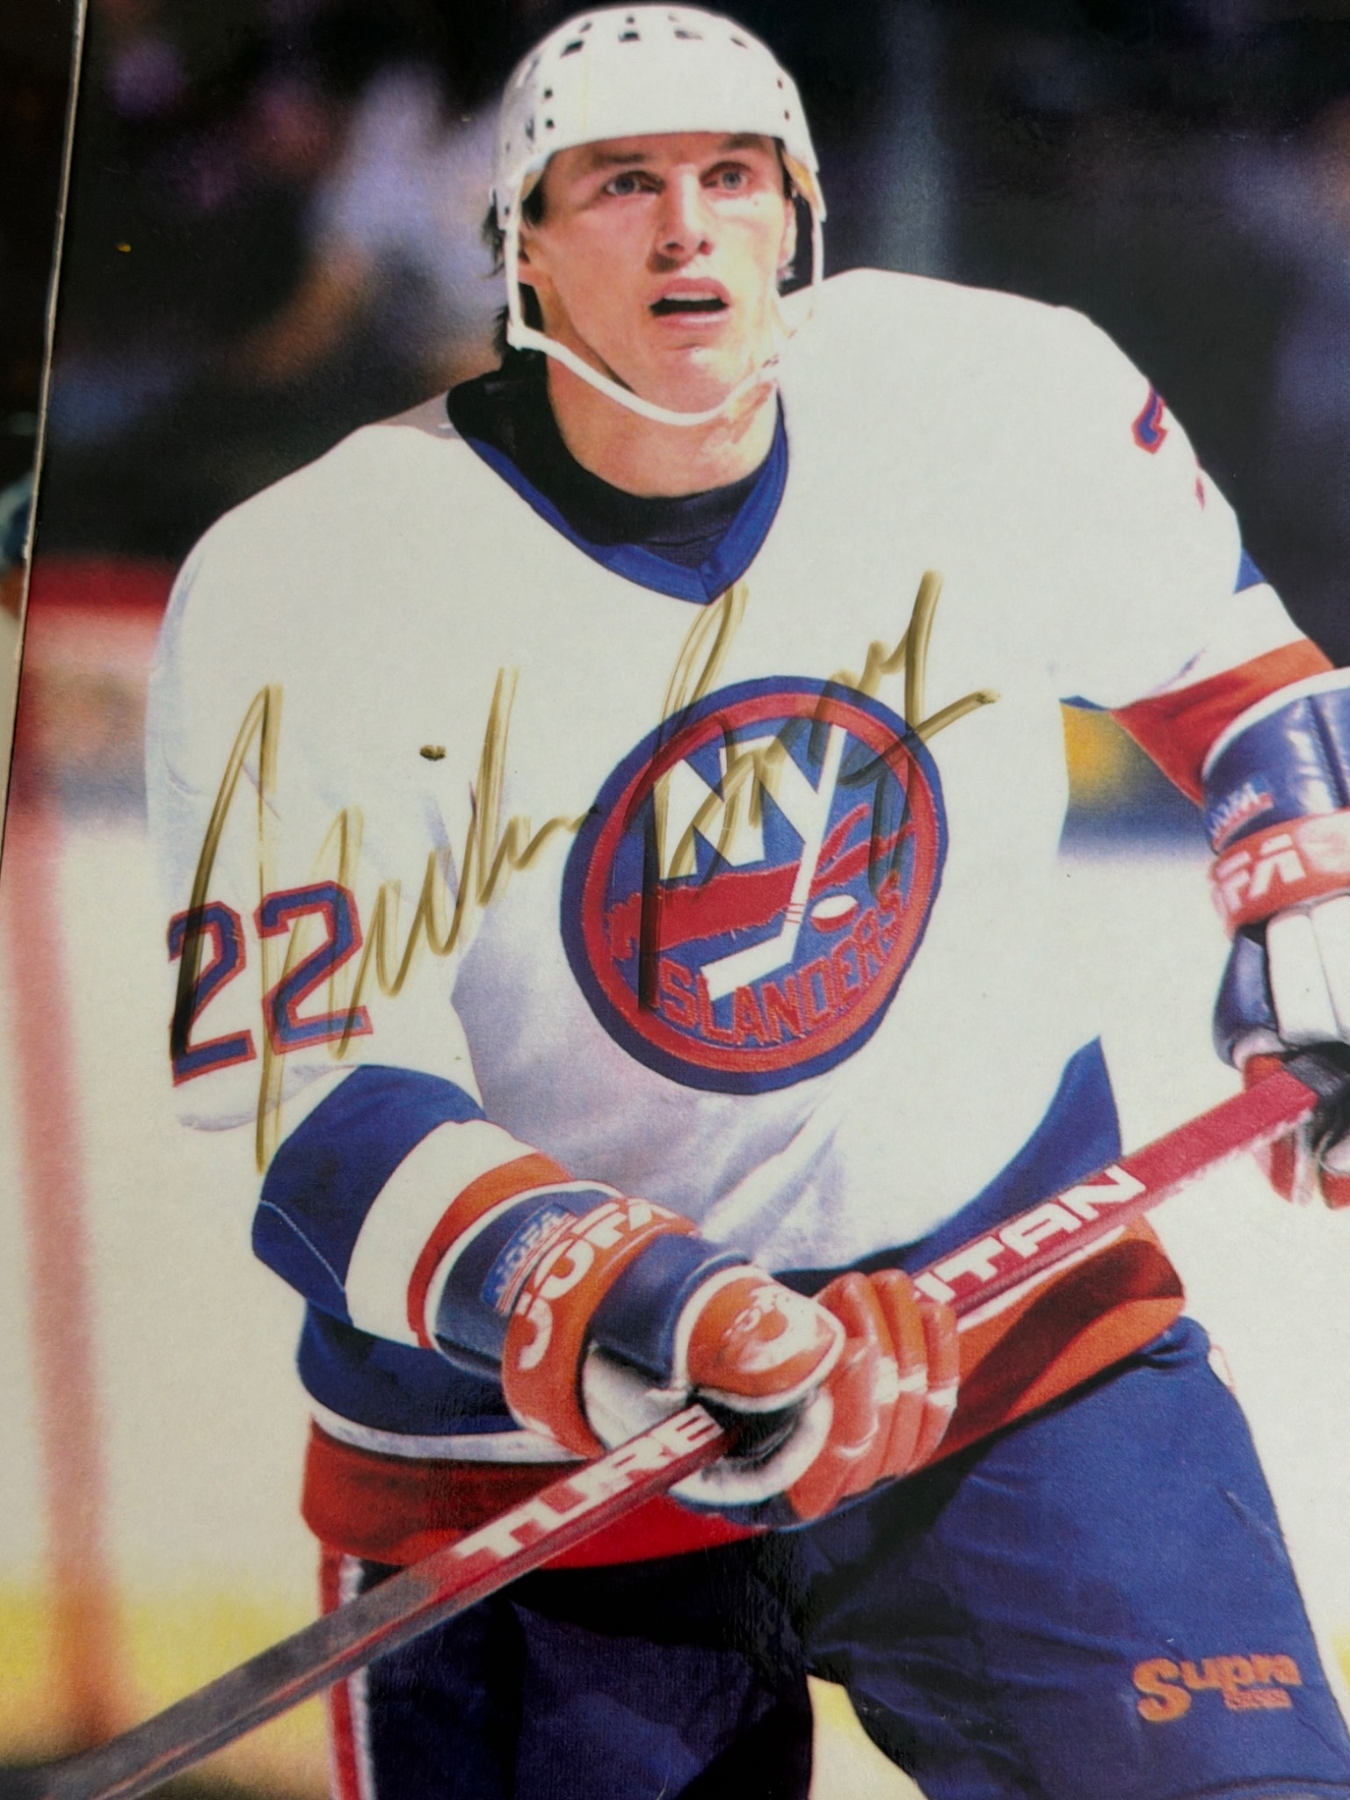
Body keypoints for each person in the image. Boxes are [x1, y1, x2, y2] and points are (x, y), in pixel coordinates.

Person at [145, 7, 1350, 1796]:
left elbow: (1231, 670)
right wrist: (652, 1300)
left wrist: (1308, 902)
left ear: (799, 215)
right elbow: (300, 1113)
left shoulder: (991, 395)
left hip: (1007, 1353)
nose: (685, 228)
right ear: (520, 246)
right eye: (619, 185)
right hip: (538, 1476)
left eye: (730, 176)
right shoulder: (309, 581)